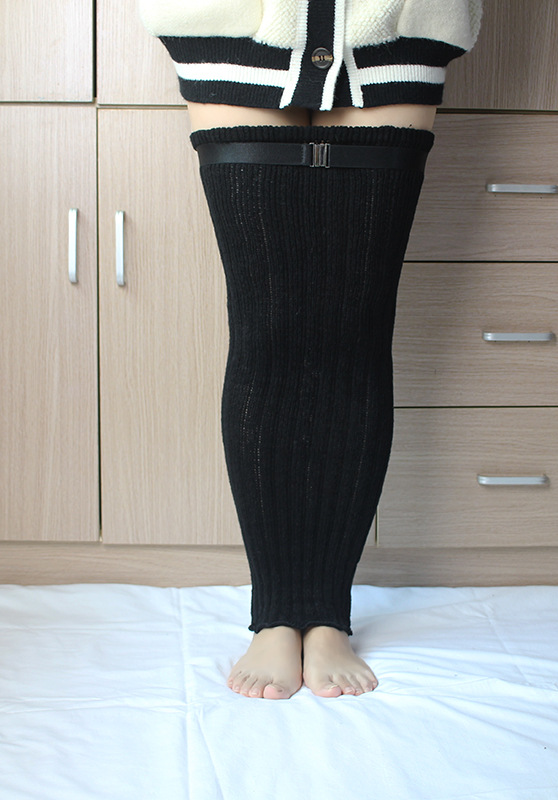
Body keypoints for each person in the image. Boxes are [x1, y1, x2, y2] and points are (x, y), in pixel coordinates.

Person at [139, 0, 483, 699]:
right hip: (233, 22)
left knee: (356, 330)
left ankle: (326, 612)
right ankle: (275, 612)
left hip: (395, 21)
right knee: (265, 331)